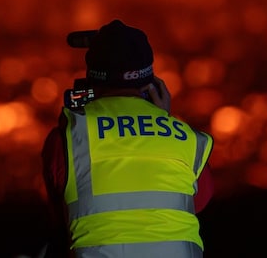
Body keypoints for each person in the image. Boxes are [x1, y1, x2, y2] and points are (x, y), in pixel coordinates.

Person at [41, 19, 214, 258]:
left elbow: (60, 218)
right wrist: (162, 119)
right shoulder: (187, 139)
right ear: (153, 85)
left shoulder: (69, 137)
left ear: (91, 80)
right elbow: (196, 203)